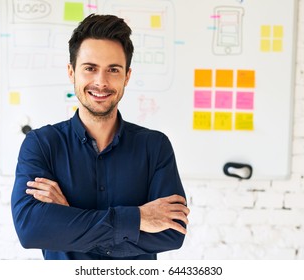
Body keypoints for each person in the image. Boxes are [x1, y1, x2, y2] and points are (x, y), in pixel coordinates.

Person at [11, 14, 190, 260]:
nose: (101, 82)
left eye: (113, 70)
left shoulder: (155, 147)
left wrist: (69, 219)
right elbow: (31, 230)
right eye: (90, 68)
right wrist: (137, 219)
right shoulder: (42, 145)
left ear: (126, 76)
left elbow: (172, 233)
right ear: (71, 72)